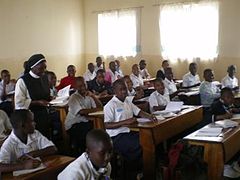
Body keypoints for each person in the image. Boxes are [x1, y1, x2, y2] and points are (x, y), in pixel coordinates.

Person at [104, 79, 157, 178]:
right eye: (121, 90)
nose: (124, 91)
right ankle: (134, 171)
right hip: (116, 136)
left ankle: (144, 168)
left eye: (125, 89)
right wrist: (125, 122)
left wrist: (149, 116)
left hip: (129, 132)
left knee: (148, 140)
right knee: (138, 145)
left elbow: (139, 112)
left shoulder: (127, 101)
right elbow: (107, 124)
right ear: (115, 91)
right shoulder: (110, 105)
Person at [15, 54, 51, 138]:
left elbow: (45, 93)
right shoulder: (22, 81)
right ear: (32, 67)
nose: (43, 70)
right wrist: (37, 102)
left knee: (45, 136)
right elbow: (19, 102)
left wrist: (50, 98)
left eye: (45, 68)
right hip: (30, 117)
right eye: (41, 68)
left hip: (44, 113)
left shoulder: (44, 77)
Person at [65, 76, 102, 155]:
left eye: (84, 85)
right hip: (73, 125)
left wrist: (93, 96)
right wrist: (97, 110)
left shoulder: (88, 95)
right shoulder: (73, 98)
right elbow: (82, 112)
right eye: (80, 86)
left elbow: (100, 106)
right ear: (75, 87)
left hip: (86, 122)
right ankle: (84, 153)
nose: (83, 88)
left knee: (98, 129)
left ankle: (95, 151)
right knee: (90, 131)